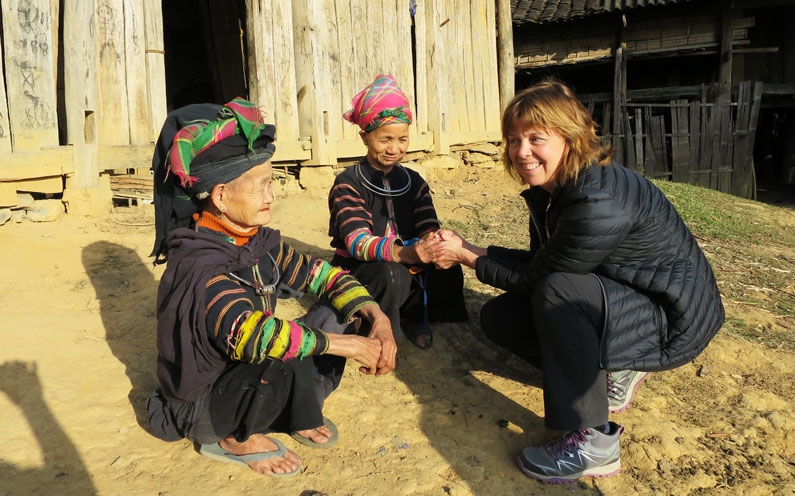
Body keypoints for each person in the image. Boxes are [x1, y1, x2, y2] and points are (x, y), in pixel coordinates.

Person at [427, 79, 724, 484]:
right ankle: (610, 370)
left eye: (536, 138)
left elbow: (539, 279)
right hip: (628, 293)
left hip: (670, 315)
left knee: (557, 293)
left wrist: (465, 256)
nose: (521, 151)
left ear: (570, 137)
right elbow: (542, 263)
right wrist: (471, 248)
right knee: (501, 317)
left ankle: (595, 442)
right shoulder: (559, 187)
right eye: (514, 139)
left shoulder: (595, 201)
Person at [145, 97, 397, 477]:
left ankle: (296, 410)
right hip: (207, 402)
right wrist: (351, 347)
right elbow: (251, 335)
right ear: (220, 197)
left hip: (248, 374)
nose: (271, 196)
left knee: (338, 312)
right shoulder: (200, 266)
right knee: (281, 346)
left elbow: (322, 275)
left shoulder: (257, 243)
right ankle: (236, 438)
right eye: (260, 186)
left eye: (271, 183)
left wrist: (377, 318)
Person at [327, 74, 468, 349]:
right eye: (385, 139)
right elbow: (358, 243)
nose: (394, 148)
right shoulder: (348, 183)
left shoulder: (414, 182)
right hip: (361, 266)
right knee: (391, 275)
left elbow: (427, 224)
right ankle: (378, 328)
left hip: (407, 257)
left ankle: (413, 316)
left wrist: (433, 242)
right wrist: (407, 253)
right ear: (365, 137)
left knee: (446, 262)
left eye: (402, 139)